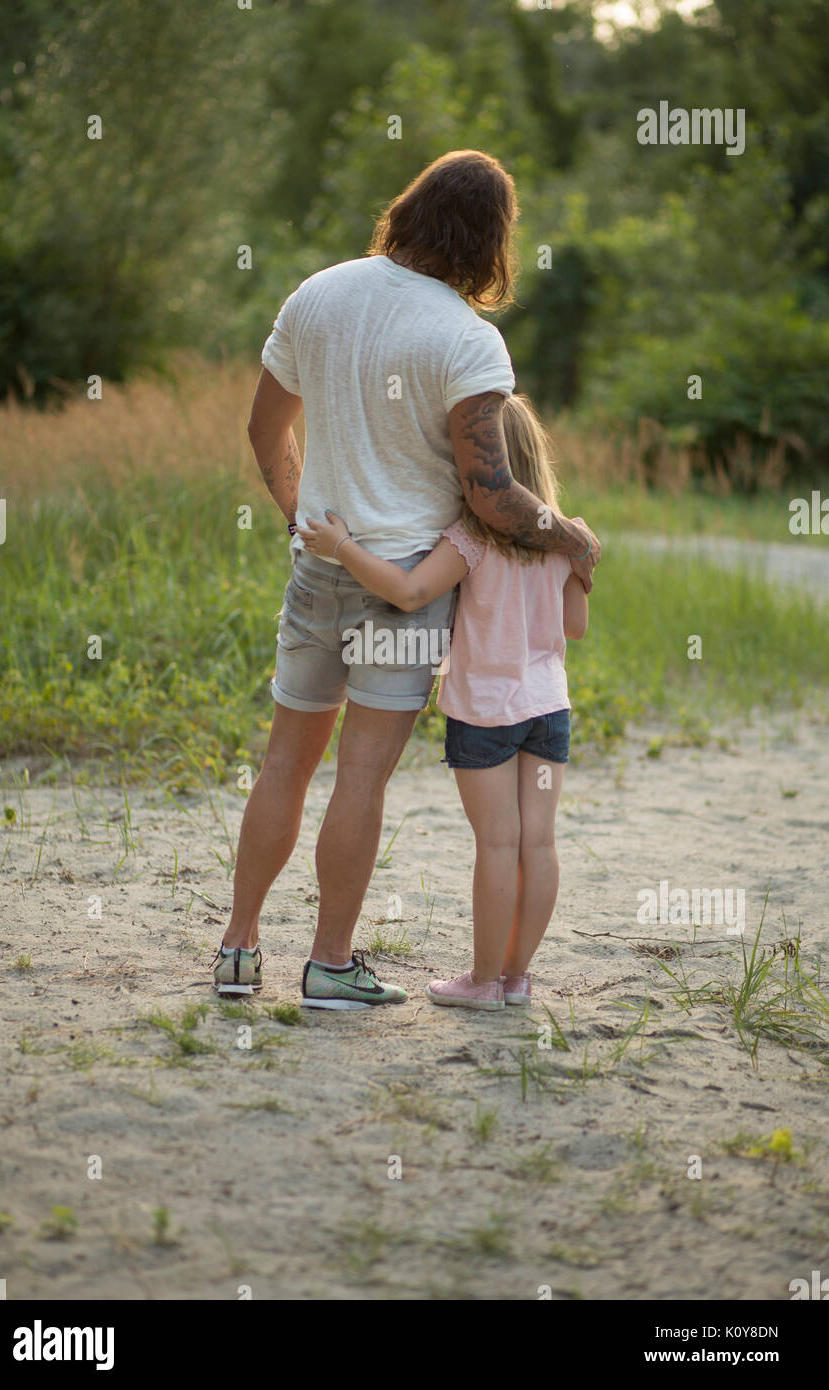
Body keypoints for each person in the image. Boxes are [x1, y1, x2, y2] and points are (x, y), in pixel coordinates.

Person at [213, 149, 600, 1009]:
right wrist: (566, 532)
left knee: (284, 762)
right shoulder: (466, 338)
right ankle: (328, 965)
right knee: (360, 780)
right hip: (405, 588)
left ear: (413, 208)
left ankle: (238, 951)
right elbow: (491, 494)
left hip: (320, 567)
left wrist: (297, 516)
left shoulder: (317, 294)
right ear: (490, 239)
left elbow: (262, 425)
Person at [299, 394, 588, 1012]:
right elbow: (576, 626)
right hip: (548, 709)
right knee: (538, 843)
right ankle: (515, 978)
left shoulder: (471, 539)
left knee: (497, 844)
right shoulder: (566, 541)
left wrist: (341, 546)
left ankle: (482, 982)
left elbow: (408, 592)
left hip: (486, 715)